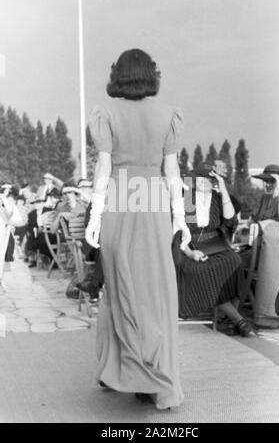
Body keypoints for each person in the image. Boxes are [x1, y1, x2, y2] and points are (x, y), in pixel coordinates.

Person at [85, 48, 191, 410]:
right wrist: (180, 218)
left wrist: (95, 216)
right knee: (157, 293)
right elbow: (172, 173)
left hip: (119, 199)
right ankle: (153, 378)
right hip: (154, 201)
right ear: (151, 74)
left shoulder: (106, 114)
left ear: (118, 74)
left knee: (119, 287)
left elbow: (103, 169)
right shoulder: (168, 116)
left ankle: (119, 370)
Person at [172, 162, 254, 337]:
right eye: (201, 177)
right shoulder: (188, 198)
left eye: (209, 178)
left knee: (235, 262)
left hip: (215, 245)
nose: (204, 181)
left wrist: (223, 187)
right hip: (191, 247)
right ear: (195, 179)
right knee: (205, 271)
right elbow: (179, 231)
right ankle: (238, 321)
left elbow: (230, 219)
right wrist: (190, 253)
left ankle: (227, 318)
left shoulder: (218, 197)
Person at [248, 164, 279, 327]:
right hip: (260, 247)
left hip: (277, 252)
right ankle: (244, 307)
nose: (268, 184)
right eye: (266, 181)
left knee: (236, 264)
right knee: (236, 263)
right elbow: (257, 220)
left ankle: (249, 310)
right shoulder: (265, 198)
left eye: (271, 181)